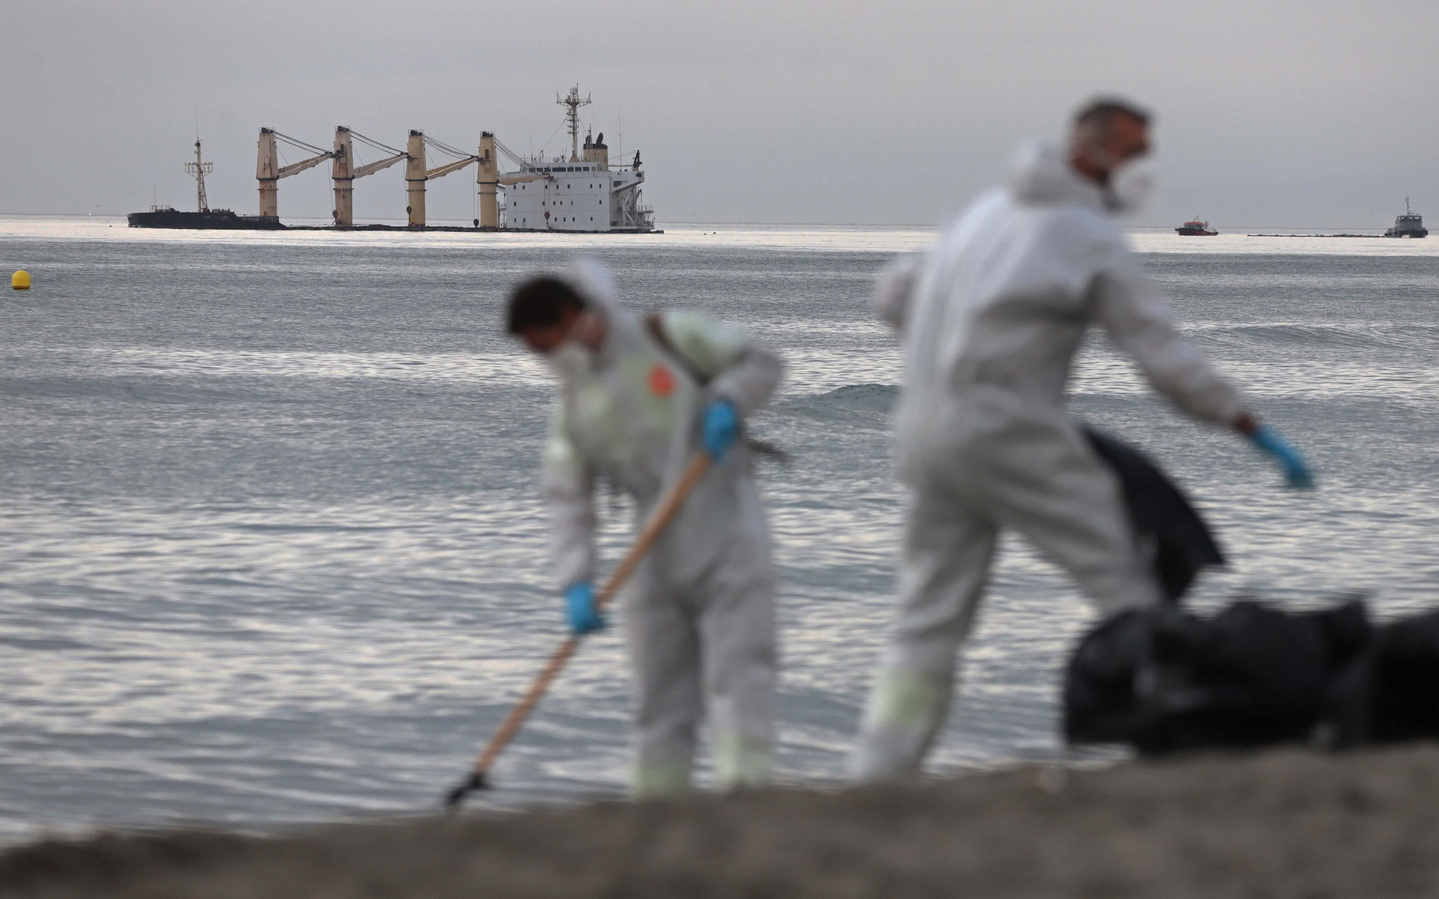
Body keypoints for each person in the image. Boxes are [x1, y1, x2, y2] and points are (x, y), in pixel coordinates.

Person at [850, 98, 1315, 781]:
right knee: (1121, 576)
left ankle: (877, 773)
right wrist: (1251, 424)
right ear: (1091, 153)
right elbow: (1161, 356)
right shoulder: (1085, 233)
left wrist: (950, 354)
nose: (1139, 173)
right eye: (1133, 155)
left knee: (927, 616)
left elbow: (892, 292)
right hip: (1009, 427)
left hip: (924, 429)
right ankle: (1170, 745)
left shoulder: (984, 213)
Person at [504, 260, 783, 797]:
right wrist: (575, 582)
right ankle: (657, 810)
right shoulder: (576, 403)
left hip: (728, 533)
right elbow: (567, 497)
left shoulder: (668, 336)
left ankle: (745, 800)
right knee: (657, 699)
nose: (545, 361)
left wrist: (728, 400)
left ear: (570, 317)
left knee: (740, 677)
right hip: (653, 551)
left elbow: (761, 363)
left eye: (545, 346)